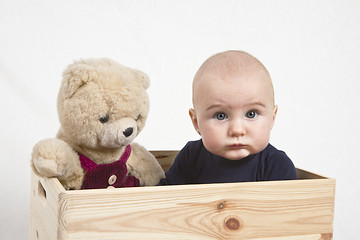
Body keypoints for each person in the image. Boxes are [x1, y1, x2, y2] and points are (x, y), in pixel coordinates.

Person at [159, 50, 297, 185]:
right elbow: (162, 198)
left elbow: (288, 206)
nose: (237, 130)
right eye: (220, 116)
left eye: (251, 114)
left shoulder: (276, 166)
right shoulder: (191, 157)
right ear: (196, 122)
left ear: (272, 118)